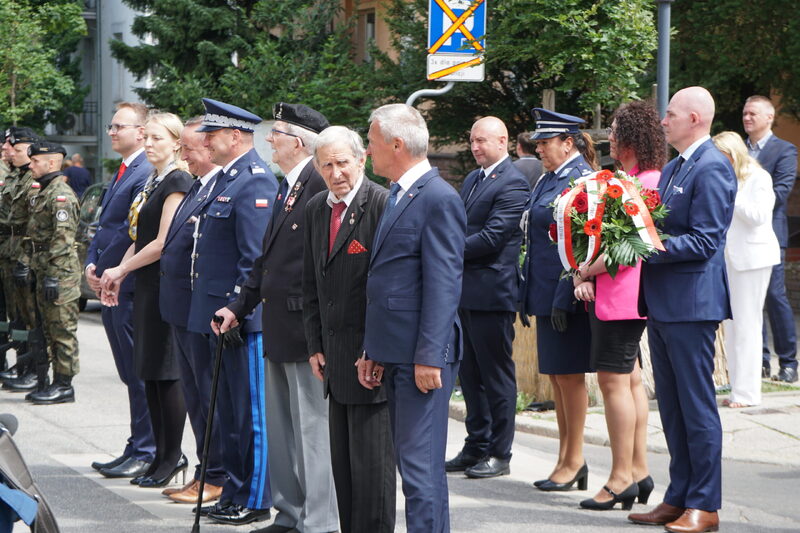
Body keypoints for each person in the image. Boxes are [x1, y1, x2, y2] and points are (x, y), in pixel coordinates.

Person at [214, 102, 339, 533]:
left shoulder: (319, 184)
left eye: (277, 132)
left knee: (312, 432)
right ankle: (289, 514)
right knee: (283, 432)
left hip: (306, 330)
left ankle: (319, 522)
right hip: (279, 326)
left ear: (299, 142)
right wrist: (238, 305)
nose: (269, 138)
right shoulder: (288, 185)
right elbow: (265, 260)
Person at [628, 87, 736, 533]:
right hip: (665, 302)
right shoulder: (675, 166)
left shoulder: (713, 166)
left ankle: (705, 505)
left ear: (694, 118)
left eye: (670, 114)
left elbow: (707, 240)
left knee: (696, 407)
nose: (662, 120)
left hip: (692, 304)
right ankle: (680, 495)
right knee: (672, 408)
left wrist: (647, 246)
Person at [357, 103, 466, 533]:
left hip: (421, 356)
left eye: (371, 142)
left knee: (420, 472)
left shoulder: (438, 198)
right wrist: (374, 348)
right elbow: (390, 281)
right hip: (396, 350)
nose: (368, 151)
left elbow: (443, 284)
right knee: (416, 468)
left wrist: (429, 356)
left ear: (397, 145)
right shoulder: (400, 193)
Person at [571, 100, 665, 510]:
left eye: (614, 129)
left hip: (623, 295)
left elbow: (633, 246)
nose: (609, 135)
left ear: (631, 137)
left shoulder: (644, 182)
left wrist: (585, 270)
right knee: (628, 381)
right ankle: (638, 471)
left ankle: (620, 477)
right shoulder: (634, 178)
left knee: (613, 384)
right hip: (619, 293)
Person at [302, 125, 395, 533]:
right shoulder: (316, 209)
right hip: (333, 362)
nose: (336, 172)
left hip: (370, 362)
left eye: (343, 162)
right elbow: (310, 282)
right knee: (345, 473)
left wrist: (374, 350)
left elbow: (386, 290)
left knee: (372, 476)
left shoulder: (383, 204)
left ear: (361, 160)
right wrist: (314, 344)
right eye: (327, 165)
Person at [187, 98, 275, 526]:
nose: (205, 142)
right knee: (228, 414)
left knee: (249, 415)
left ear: (235, 136)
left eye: (212, 135)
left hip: (242, 319)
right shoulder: (227, 179)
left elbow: (254, 258)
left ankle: (255, 499)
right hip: (220, 316)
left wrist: (238, 308)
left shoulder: (254, 181)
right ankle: (235, 492)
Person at [100, 112, 194, 489]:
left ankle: (172, 457)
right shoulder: (154, 180)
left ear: (176, 143)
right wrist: (117, 274)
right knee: (149, 373)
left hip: (165, 287)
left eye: (157, 138)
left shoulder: (177, 180)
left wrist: (122, 270)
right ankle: (157, 456)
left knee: (167, 375)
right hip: (145, 285)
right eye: (148, 137)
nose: (149, 144)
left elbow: (161, 242)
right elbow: (138, 238)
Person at [445, 117, 529, 479]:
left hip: (493, 293)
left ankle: (499, 451)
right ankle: (476, 445)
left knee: (496, 376)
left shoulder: (513, 182)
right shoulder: (473, 179)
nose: (475, 147)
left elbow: (493, 237)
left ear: (503, 141)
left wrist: (445, 250)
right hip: (466, 291)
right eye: (472, 140)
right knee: (470, 376)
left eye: (482, 140)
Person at [522, 108, 596, 493]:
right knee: (557, 376)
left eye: (545, 142)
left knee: (569, 377)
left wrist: (565, 295)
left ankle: (575, 458)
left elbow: (583, 246)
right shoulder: (550, 178)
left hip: (564, 293)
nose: (538, 148)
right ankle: (566, 458)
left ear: (568, 143)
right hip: (544, 290)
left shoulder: (581, 179)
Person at [157, 117, 225, 504]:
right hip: (181, 310)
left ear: (210, 148)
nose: (183, 156)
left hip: (200, 312)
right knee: (196, 398)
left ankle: (215, 475)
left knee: (207, 398)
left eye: (189, 148)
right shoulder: (200, 186)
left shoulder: (219, 187)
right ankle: (204, 470)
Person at [87, 102, 155, 479]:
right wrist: (90, 265)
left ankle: (148, 447)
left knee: (138, 371)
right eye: (110, 127)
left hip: (126, 285)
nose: (111, 132)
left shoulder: (145, 172)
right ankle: (138, 442)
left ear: (141, 132)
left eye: (119, 126)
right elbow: (104, 227)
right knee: (129, 372)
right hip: (111, 281)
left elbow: (130, 234)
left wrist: (106, 270)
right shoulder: (125, 169)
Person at [713, 131, 779, 408]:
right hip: (731, 258)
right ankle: (738, 388)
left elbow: (759, 216)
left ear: (732, 154)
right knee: (733, 325)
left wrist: (732, 195)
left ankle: (748, 393)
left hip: (753, 259)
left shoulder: (758, 177)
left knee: (747, 325)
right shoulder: (730, 176)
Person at [742, 95, 799, 384]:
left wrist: (745, 205)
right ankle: (759, 361)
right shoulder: (738, 150)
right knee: (748, 301)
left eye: (752, 113)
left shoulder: (784, 150)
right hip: (739, 238)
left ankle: (788, 362)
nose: (746, 118)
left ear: (769, 117)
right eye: (745, 113)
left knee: (774, 297)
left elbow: (782, 192)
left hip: (769, 235)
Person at [20, 141, 81, 405]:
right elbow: (34, 235)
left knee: (61, 330)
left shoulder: (61, 195)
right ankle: (48, 381)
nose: (30, 165)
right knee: (45, 329)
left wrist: (54, 275)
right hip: (43, 268)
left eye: (35, 161)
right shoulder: (43, 192)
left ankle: (64, 385)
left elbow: (63, 239)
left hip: (60, 273)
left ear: (52, 163)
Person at [0, 127, 41, 392]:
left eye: (15, 147)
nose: (8, 151)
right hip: (9, 251)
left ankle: (33, 369)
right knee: (16, 317)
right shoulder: (15, 176)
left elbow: (33, 225)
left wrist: (25, 260)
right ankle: (22, 364)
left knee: (29, 317)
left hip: (23, 253)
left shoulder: (33, 180)